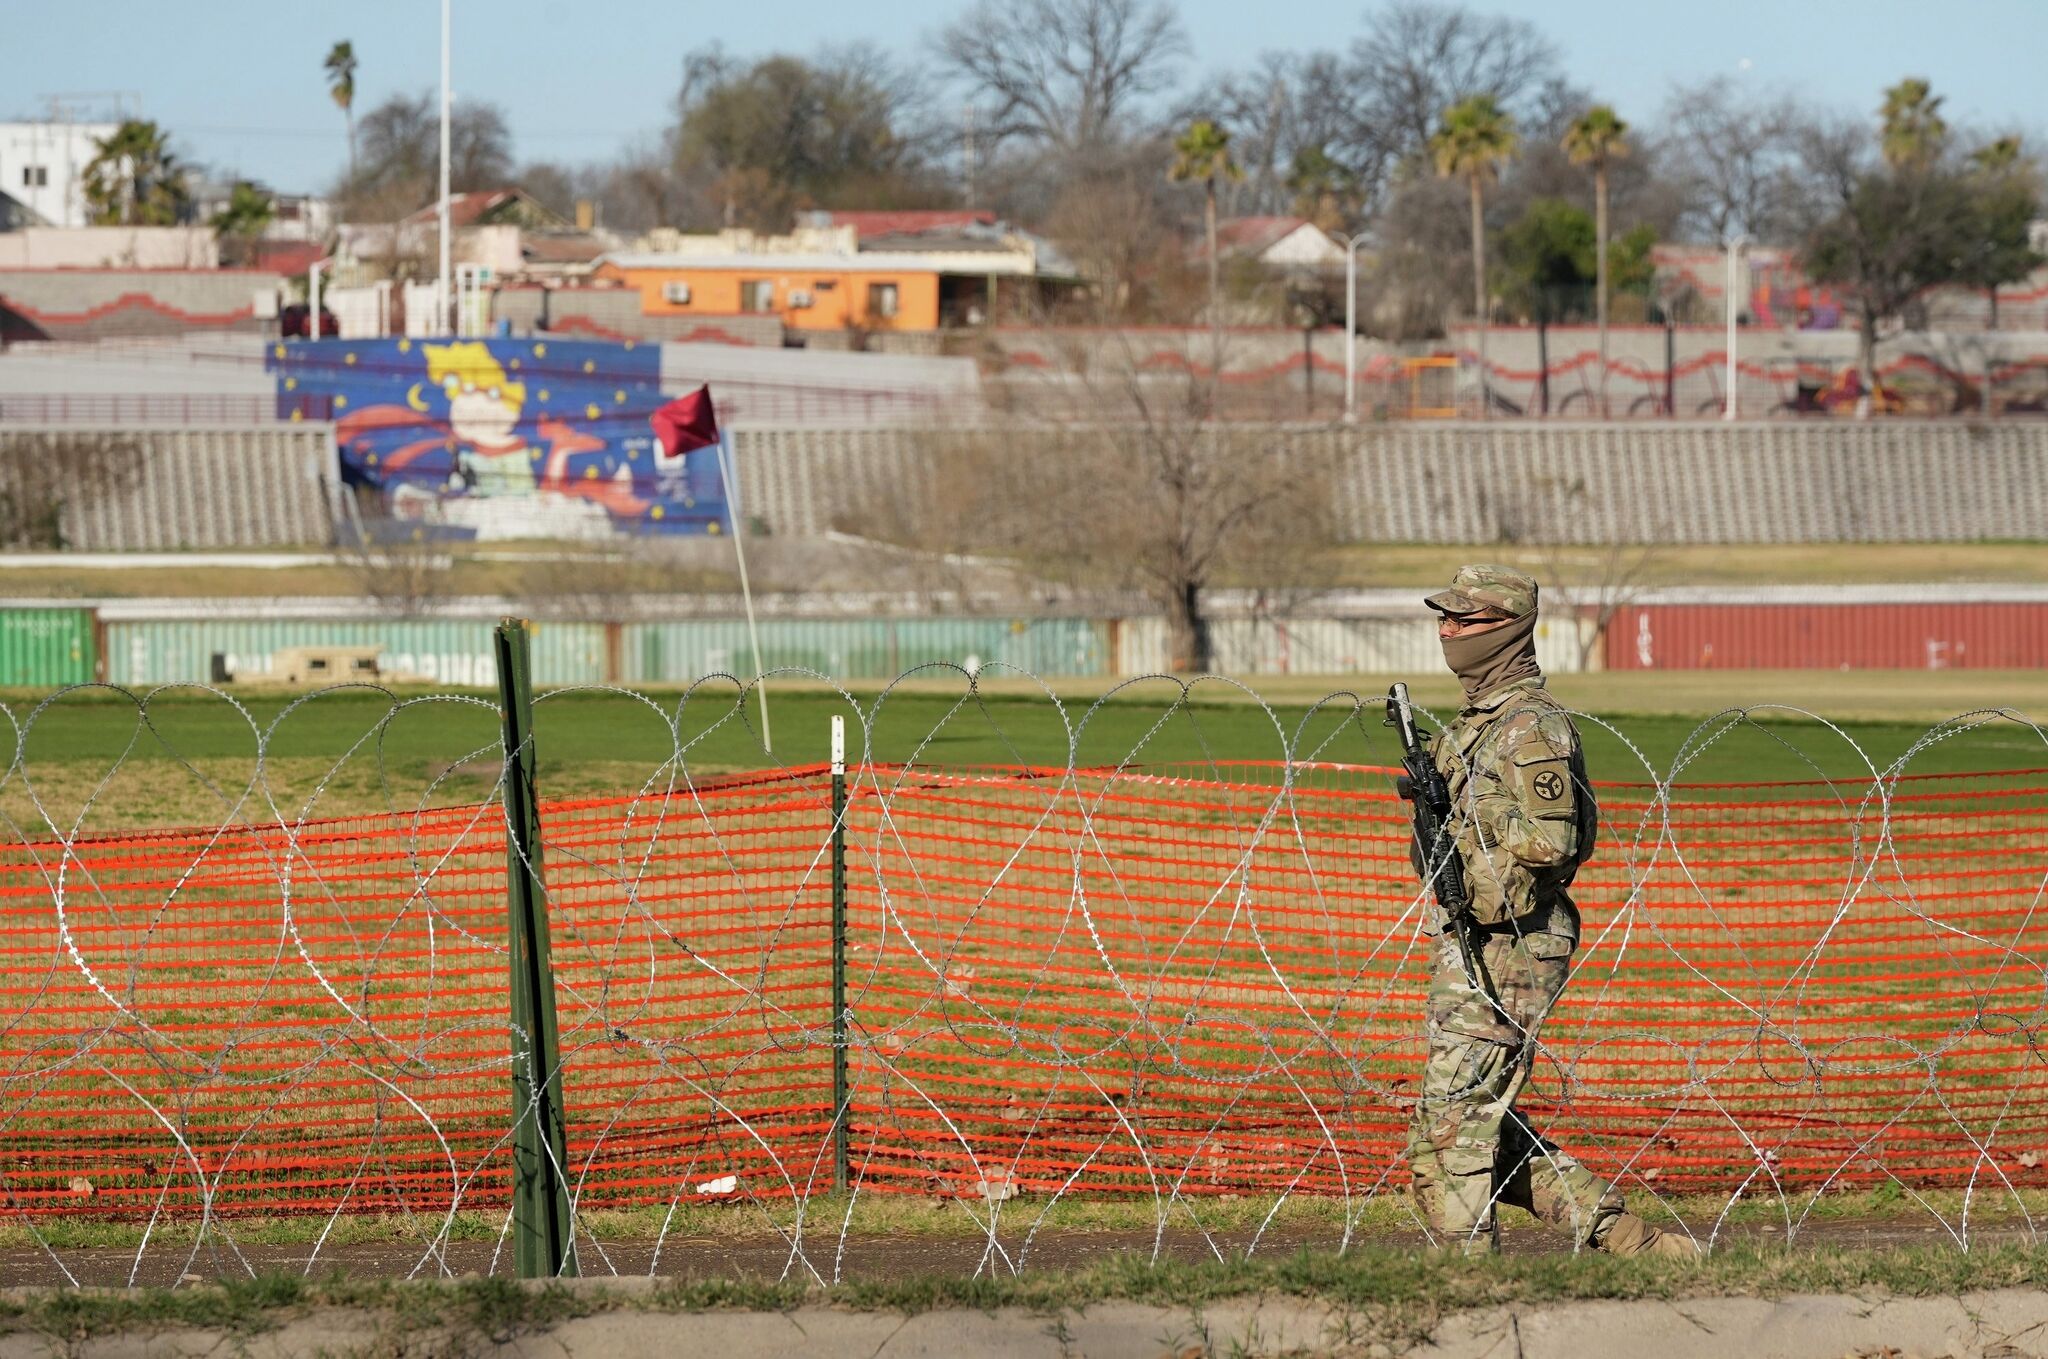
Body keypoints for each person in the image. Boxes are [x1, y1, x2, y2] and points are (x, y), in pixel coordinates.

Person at [1405, 563, 1696, 1258]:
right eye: (1444, 619)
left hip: (1514, 944)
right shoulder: (1476, 725)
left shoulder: (1530, 726)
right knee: (1453, 1127)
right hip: (1470, 934)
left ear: (1505, 628)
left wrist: (1481, 800)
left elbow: (1552, 839)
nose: (1448, 631)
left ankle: (1467, 1279)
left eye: (1464, 620)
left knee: (1458, 1122)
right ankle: (1631, 1240)